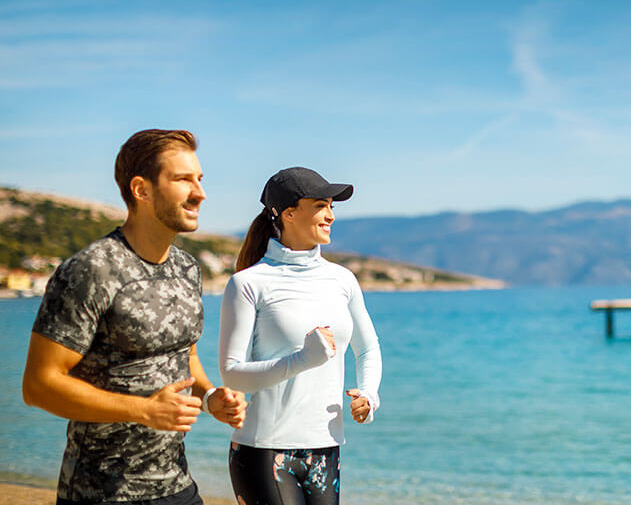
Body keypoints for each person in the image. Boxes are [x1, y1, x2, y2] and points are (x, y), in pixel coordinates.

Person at [22, 129, 248, 505]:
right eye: (182, 179)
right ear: (141, 189)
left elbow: (182, 357)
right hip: (101, 493)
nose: (200, 193)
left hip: (177, 486)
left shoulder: (187, 268)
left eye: (200, 179)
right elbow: (38, 385)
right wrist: (143, 411)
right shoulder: (90, 270)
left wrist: (209, 398)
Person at [219, 167, 382, 505]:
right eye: (321, 205)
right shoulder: (249, 284)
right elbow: (232, 374)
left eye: (332, 207)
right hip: (264, 450)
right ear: (289, 213)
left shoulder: (343, 280)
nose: (331, 216)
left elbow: (367, 349)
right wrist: (303, 360)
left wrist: (369, 393)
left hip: (326, 446)